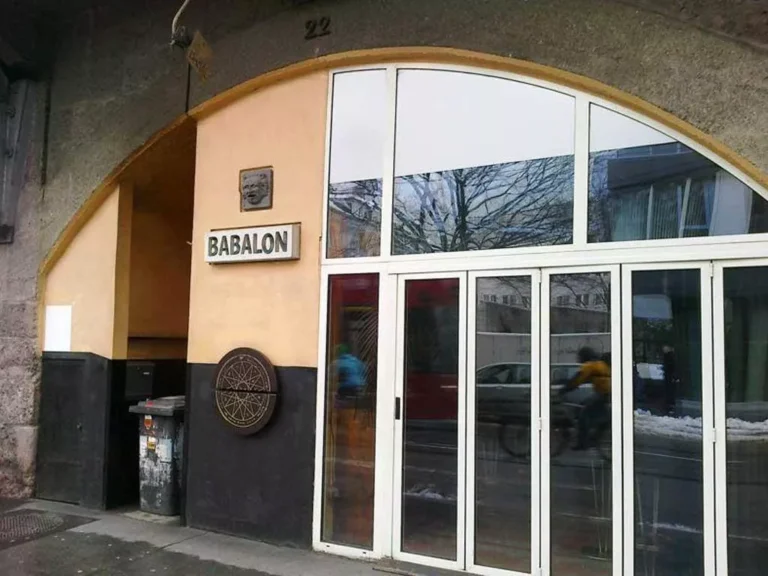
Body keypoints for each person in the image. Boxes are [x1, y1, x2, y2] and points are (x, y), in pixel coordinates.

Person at [560, 346, 611, 450]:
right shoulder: (600, 364)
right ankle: (596, 431)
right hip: (607, 394)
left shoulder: (590, 366)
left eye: (580, 357)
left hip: (604, 394)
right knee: (583, 405)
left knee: (584, 414)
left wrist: (564, 389)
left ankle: (583, 443)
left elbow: (578, 379)